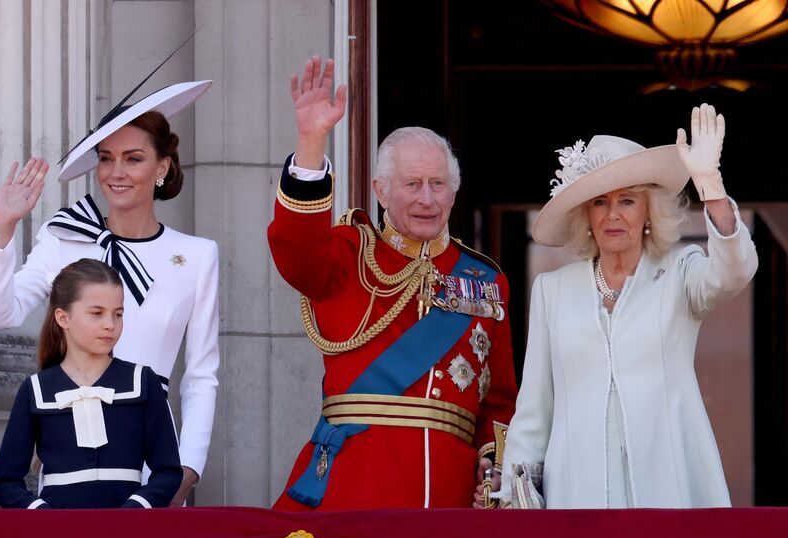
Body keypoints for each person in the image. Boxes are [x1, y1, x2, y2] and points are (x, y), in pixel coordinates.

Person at [269, 56, 518, 510]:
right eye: (412, 184)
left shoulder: (485, 279)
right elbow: (295, 248)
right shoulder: (349, 254)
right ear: (381, 190)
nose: (427, 199)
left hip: (450, 496)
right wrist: (311, 142)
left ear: (454, 192)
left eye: (438, 184)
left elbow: (500, 400)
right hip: (354, 488)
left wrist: (493, 465)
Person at [486, 104, 756, 509]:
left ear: (648, 211)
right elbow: (535, 409)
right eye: (600, 202)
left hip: (669, 487)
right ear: (587, 215)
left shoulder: (680, 273)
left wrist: (711, 187)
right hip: (577, 495)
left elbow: (734, 271)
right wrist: (516, 495)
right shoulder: (552, 290)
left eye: (627, 201)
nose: (613, 215)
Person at [0, 80, 218, 507]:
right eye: (106, 158)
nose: (116, 172)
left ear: (162, 167)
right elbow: (0, 315)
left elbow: (201, 374)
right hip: (69, 450)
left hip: (153, 456)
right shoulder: (64, 236)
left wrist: (187, 468)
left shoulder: (198, 256)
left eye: (133, 158)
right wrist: (2, 230)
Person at [0, 259, 183, 509]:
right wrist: (43, 515)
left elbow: (168, 471)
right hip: (59, 530)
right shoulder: (35, 389)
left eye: (118, 314)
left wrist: (134, 511)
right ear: (63, 318)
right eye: (97, 313)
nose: (110, 324)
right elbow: (6, 482)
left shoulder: (143, 381)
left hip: (128, 529)